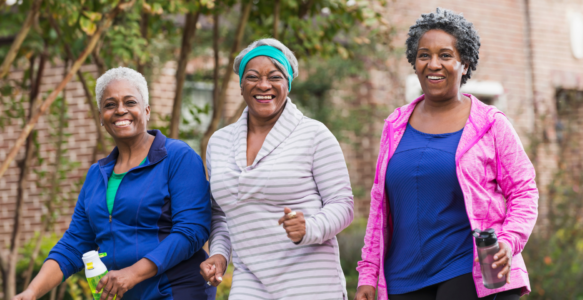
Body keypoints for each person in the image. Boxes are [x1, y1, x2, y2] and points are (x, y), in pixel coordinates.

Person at [355, 8, 538, 300]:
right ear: (414, 63)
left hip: (471, 269)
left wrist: (508, 241)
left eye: (445, 55)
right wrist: (368, 273)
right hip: (403, 274)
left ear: (464, 64)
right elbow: (379, 205)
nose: (433, 64)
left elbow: (524, 191)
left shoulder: (491, 124)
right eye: (424, 55)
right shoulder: (395, 125)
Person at [12, 67, 215, 300]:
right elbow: (75, 243)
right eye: (110, 105)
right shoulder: (96, 175)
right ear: (101, 116)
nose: (120, 110)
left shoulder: (177, 157)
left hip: (176, 290)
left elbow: (191, 230)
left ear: (146, 110)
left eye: (130, 102)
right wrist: (31, 292)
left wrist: (133, 274)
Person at [199, 38, 354, 300]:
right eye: (252, 77)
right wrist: (219, 254)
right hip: (251, 279)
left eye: (274, 76)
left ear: (288, 84)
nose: (263, 85)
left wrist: (310, 228)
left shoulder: (314, 135)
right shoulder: (219, 142)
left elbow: (343, 204)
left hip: (310, 282)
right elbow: (221, 215)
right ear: (240, 85)